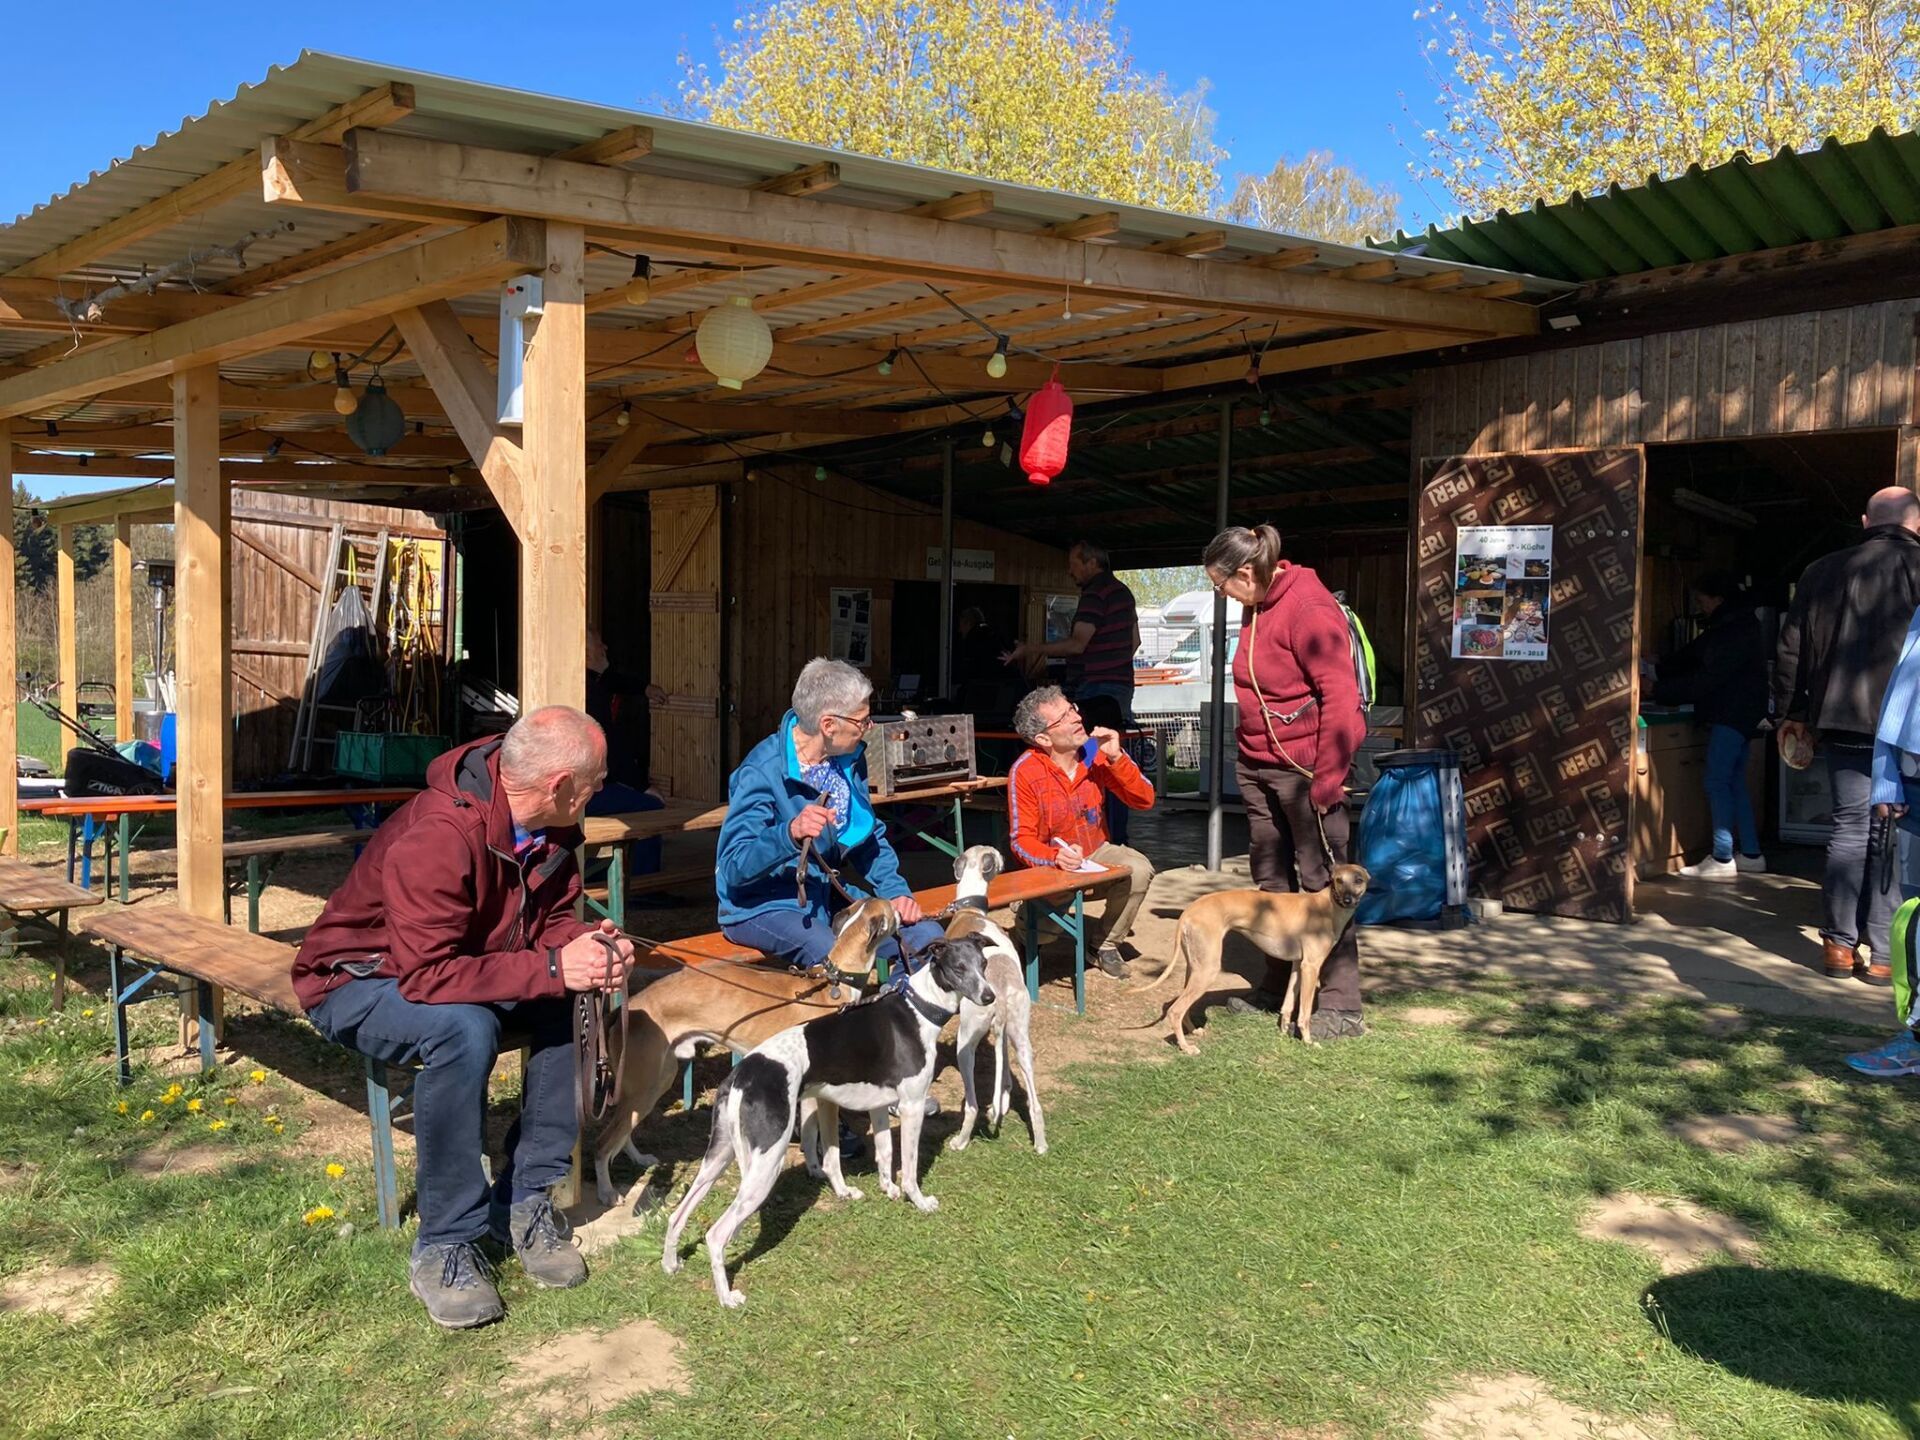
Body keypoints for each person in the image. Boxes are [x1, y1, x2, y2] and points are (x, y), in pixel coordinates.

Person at [291, 707, 631, 1330]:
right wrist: (555, 966)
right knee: (463, 1030)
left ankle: (523, 1200)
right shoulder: (440, 833)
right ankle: (445, 1243)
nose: (601, 788)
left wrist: (587, 947)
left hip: (461, 968)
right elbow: (427, 977)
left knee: (574, 996)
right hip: (357, 979)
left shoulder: (551, 826)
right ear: (560, 785)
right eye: (597, 780)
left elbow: (552, 923)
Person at [1203, 523, 1367, 1040]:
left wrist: (1329, 777)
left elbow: (1341, 697)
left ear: (1246, 573)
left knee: (1323, 885)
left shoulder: (1308, 607)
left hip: (1305, 770)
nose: (1222, 595)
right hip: (1258, 763)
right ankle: (1277, 987)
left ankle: (1341, 1006)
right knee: (1270, 878)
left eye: (1220, 584)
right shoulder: (1256, 604)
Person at [717, 657, 945, 975]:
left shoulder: (846, 759)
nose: (869, 728)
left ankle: (895, 1005)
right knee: (838, 960)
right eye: (862, 721)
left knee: (926, 938)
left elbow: (868, 837)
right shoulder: (761, 771)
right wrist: (789, 833)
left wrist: (896, 893)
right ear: (828, 725)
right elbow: (733, 866)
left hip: (825, 894)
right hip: (761, 906)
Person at [1775, 486, 1920, 984]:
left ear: (1864, 521)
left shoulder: (1821, 571)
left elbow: (1791, 648)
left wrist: (1792, 712)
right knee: (1894, 835)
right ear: (1916, 524)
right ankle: (1884, 954)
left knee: (1850, 828)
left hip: (1843, 719)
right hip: (1910, 728)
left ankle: (1838, 945)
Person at [1006, 685, 1157, 977]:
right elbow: (1020, 841)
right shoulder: (1025, 771)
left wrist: (1116, 757)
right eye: (1063, 718)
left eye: (1072, 709)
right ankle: (1026, 933)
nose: (1077, 718)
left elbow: (1145, 799)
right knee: (1043, 934)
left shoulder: (1094, 753)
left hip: (1095, 853)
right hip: (1052, 865)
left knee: (1138, 869)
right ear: (1043, 738)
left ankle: (1104, 945)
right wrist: (1055, 857)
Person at [1002, 541, 1142, 843]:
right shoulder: (1123, 593)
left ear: (1091, 562)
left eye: (1073, 565)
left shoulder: (1094, 594)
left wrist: (1031, 649)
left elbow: (1078, 644)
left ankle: (1082, 839)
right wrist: (1115, 664)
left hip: (1094, 689)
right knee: (1113, 759)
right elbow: (1135, 642)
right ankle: (1117, 838)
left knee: (1083, 760)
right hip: (1120, 687)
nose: (1070, 571)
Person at [1645, 571, 1770, 879]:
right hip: (1745, 715)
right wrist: (1660, 667)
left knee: (1717, 781)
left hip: (1729, 714)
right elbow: (1696, 655)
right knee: (1734, 781)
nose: (1700, 606)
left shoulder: (1729, 630)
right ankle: (1751, 853)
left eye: (1702, 601)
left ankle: (1722, 856)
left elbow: (1705, 677)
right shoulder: (1740, 623)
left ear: (1718, 599)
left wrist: (1657, 688)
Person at [1849, 601, 1920, 1076]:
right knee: (1916, 919)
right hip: (1913, 788)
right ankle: (1915, 1038)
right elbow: (1901, 690)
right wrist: (1886, 779)